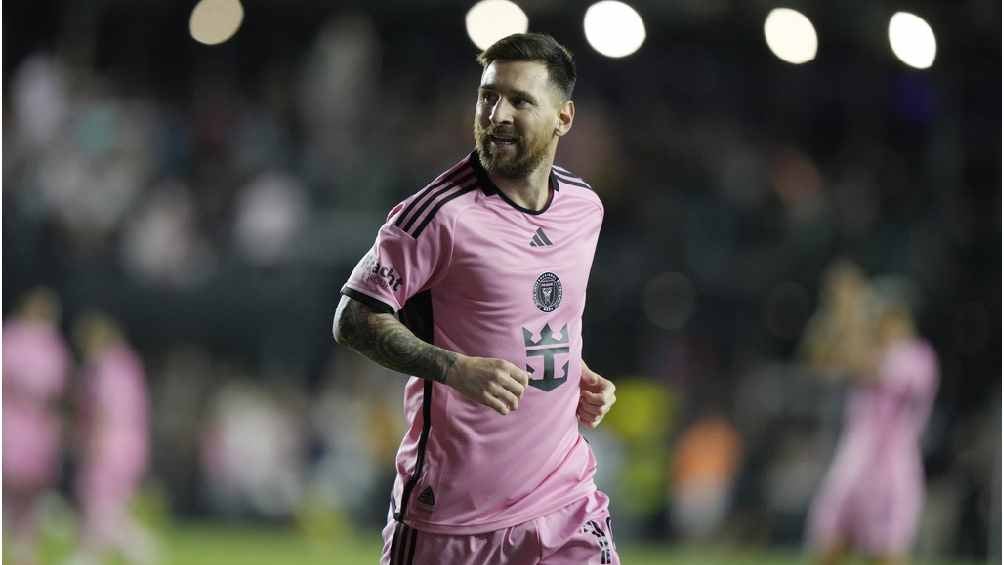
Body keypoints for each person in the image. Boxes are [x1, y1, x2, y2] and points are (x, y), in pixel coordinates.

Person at [333, 33, 619, 565]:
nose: (497, 115)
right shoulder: (438, 214)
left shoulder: (584, 208)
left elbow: (537, 316)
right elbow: (353, 318)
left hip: (565, 501)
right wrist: (455, 369)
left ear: (563, 117)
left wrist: (575, 372)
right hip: (451, 517)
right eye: (488, 96)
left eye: (519, 100)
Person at [803, 271, 939, 565]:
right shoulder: (877, 349)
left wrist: (850, 311)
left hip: (892, 467)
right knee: (830, 546)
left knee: (886, 553)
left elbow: (869, 368)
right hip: (856, 460)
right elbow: (820, 360)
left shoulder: (916, 356)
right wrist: (837, 318)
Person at [68, 312, 156, 565]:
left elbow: (103, 409)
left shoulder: (102, 369)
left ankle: (95, 554)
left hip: (109, 444)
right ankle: (110, 552)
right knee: (114, 506)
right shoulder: (129, 365)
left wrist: (92, 442)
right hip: (133, 444)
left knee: (99, 502)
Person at [3, 288, 72, 565]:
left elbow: (59, 387)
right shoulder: (12, 337)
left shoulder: (51, 344)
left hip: (38, 427)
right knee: (9, 486)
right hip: (12, 421)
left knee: (30, 493)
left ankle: (24, 549)